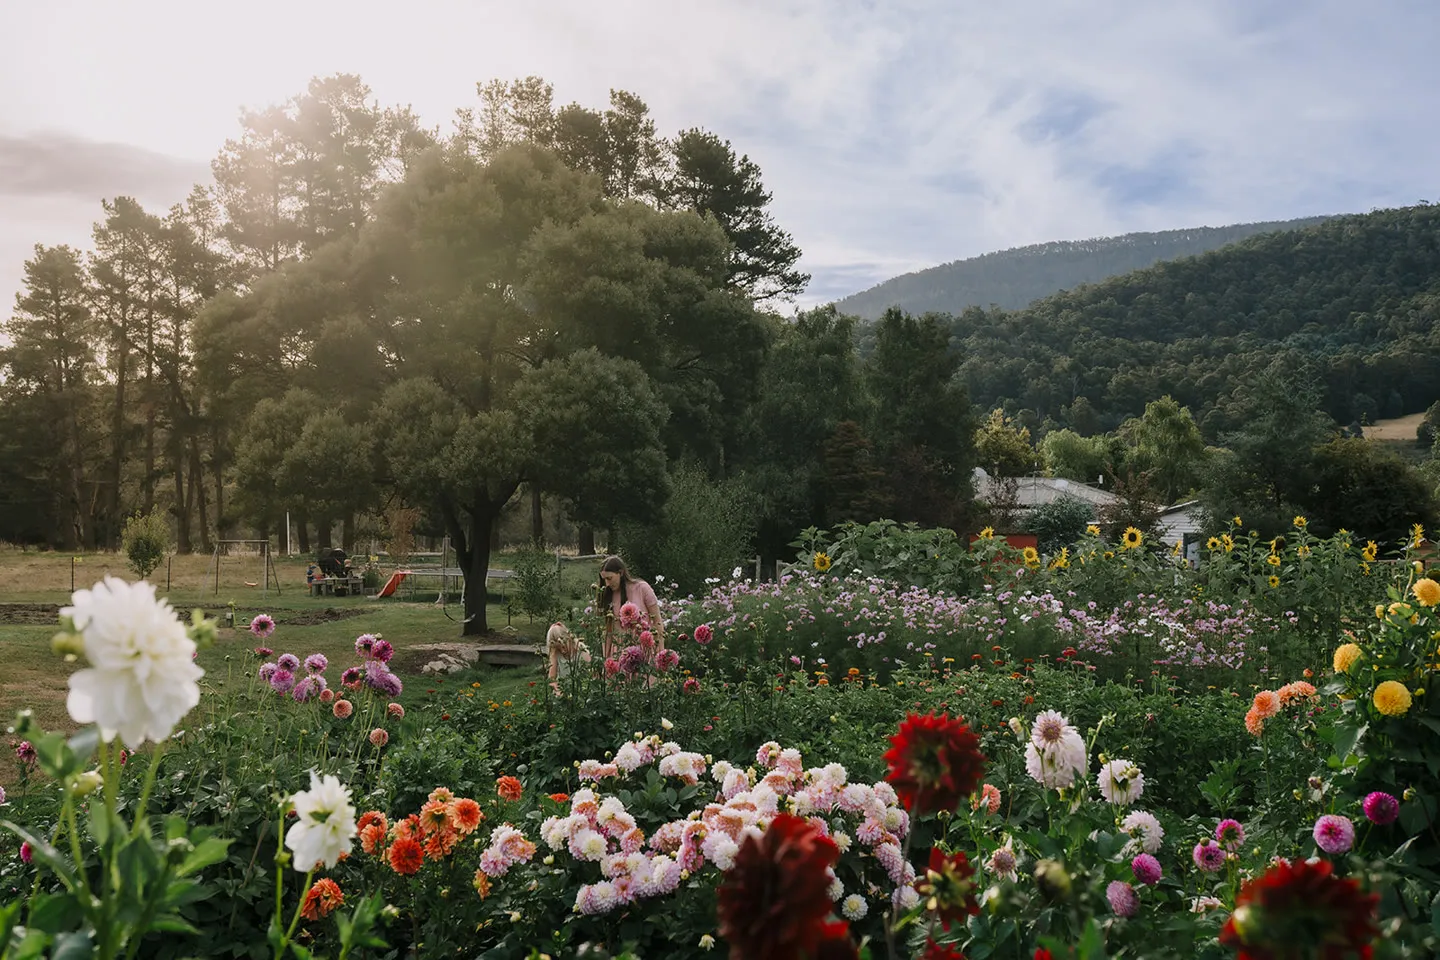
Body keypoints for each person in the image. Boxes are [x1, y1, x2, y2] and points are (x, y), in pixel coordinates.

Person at [598, 555, 663, 658]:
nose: (607, 583)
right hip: (620, 652)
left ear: (621, 573)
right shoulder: (608, 595)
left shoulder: (642, 588)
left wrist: (660, 651)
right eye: (604, 579)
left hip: (644, 649)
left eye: (610, 578)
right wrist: (607, 658)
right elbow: (608, 632)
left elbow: (657, 621)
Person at [545, 622, 591, 695]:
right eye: (558, 649)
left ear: (569, 638)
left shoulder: (581, 650)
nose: (562, 651)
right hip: (563, 690)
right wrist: (558, 691)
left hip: (582, 690)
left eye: (563, 647)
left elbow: (591, 673)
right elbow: (551, 679)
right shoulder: (555, 654)